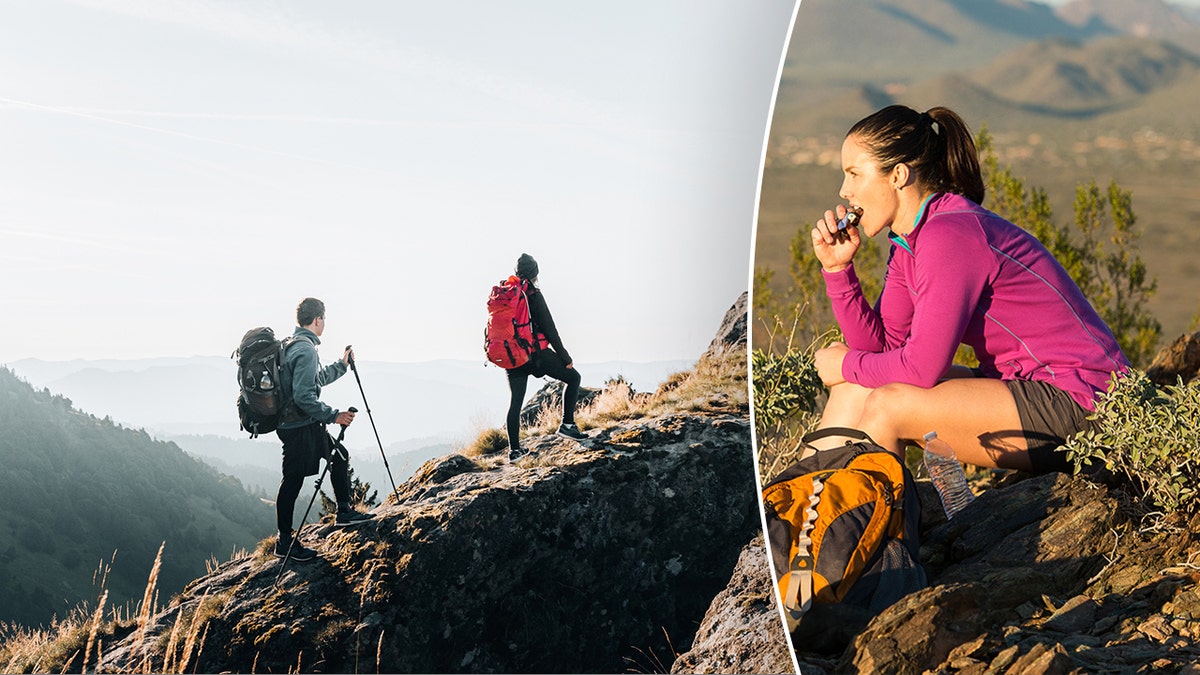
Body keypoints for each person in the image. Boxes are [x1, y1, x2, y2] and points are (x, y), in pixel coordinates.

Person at [807, 104, 1128, 473]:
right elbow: (881, 350)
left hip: (1085, 404)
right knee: (855, 388)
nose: (845, 191)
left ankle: (866, 524)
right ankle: (805, 518)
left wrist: (845, 363)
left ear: (897, 175)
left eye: (854, 174)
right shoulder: (909, 242)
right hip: (1031, 389)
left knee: (888, 405)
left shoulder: (949, 235)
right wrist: (838, 270)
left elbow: (921, 369)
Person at [274, 297, 372, 561]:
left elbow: (314, 381)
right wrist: (334, 416)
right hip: (300, 426)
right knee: (293, 480)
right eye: (324, 319)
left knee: (338, 456)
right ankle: (284, 542)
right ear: (318, 320)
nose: (324, 323)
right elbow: (304, 396)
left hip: (299, 424)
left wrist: (342, 365)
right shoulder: (305, 350)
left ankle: (344, 511)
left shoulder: (294, 344)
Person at [504, 253, 585, 460]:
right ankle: (567, 425)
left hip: (513, 357)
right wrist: (565, 358)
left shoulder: (507, 295)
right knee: (574, 378)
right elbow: (550, 330)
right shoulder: (533, 294)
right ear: (535, 274)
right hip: (536, 355)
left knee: (515, 402)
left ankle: (514, 451)